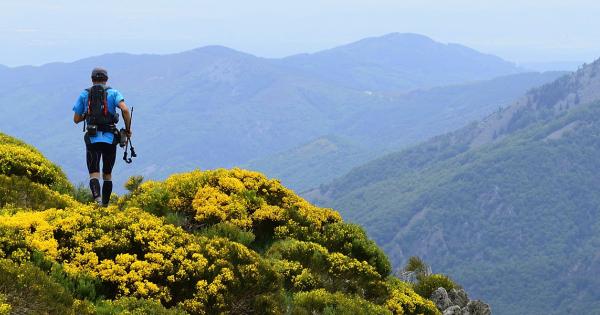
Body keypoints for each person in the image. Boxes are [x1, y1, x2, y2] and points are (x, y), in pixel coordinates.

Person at [72, 67, 132, 206]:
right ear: (106, 79)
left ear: (92, 79)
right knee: (107, 174)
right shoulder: (113, 93)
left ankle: (97, 200)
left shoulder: (84, 94)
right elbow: (125, 109)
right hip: (110, 138)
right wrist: (128, 129)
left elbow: (76, 119)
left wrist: (86, 115)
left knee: (94, 173)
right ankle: (105, 205)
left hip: (92, 138)